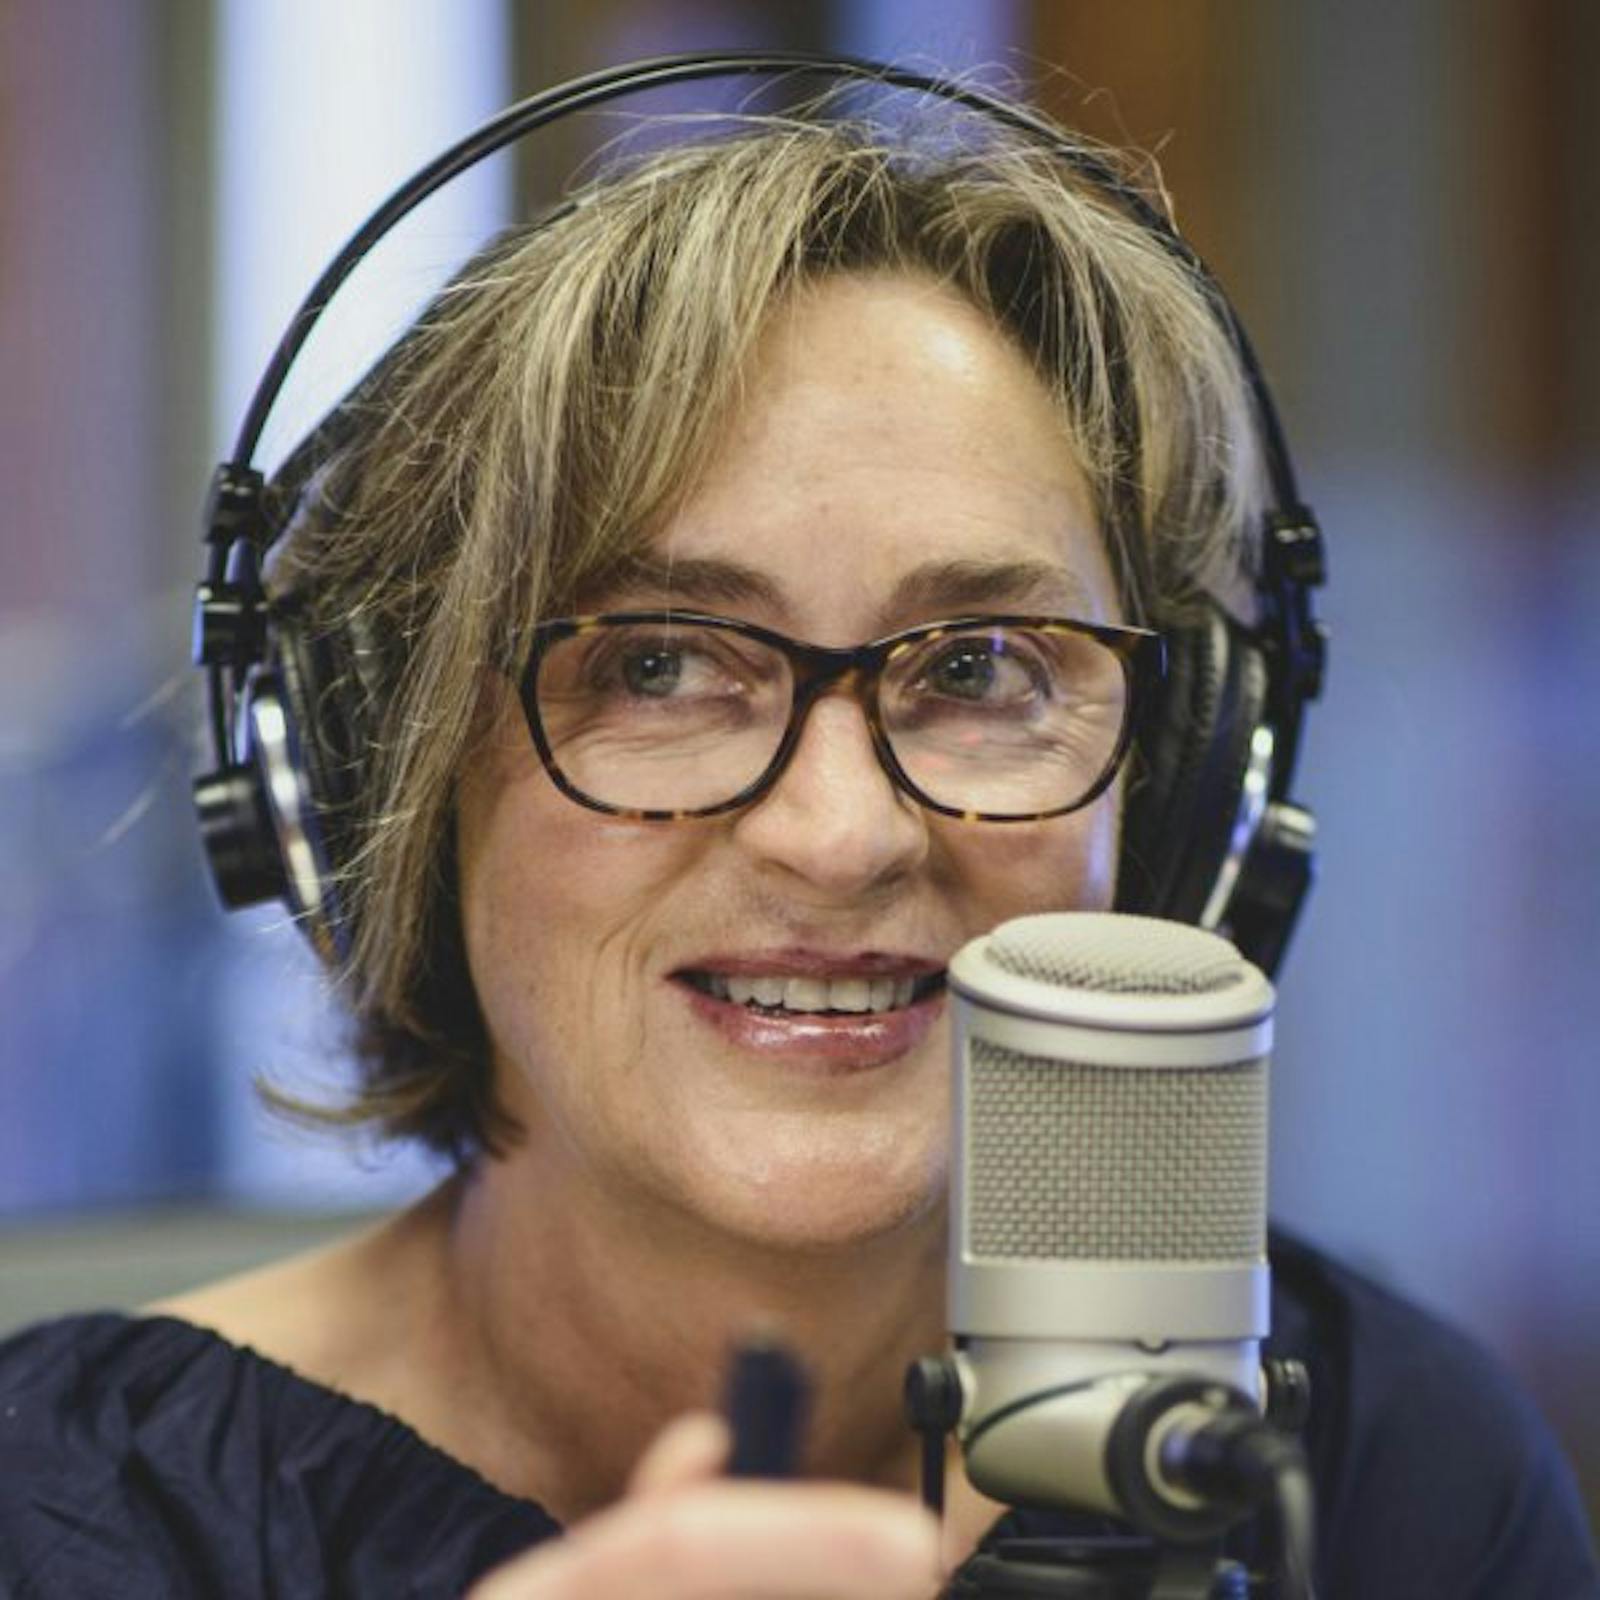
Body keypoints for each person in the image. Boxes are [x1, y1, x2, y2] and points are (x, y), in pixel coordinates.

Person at [1, 68, 1595, 1600]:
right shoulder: (63, 1522)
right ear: (386, 772)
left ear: (1174, 787)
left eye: (982, 668)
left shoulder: (1391, 1476)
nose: (841, 837)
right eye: (658, 665)